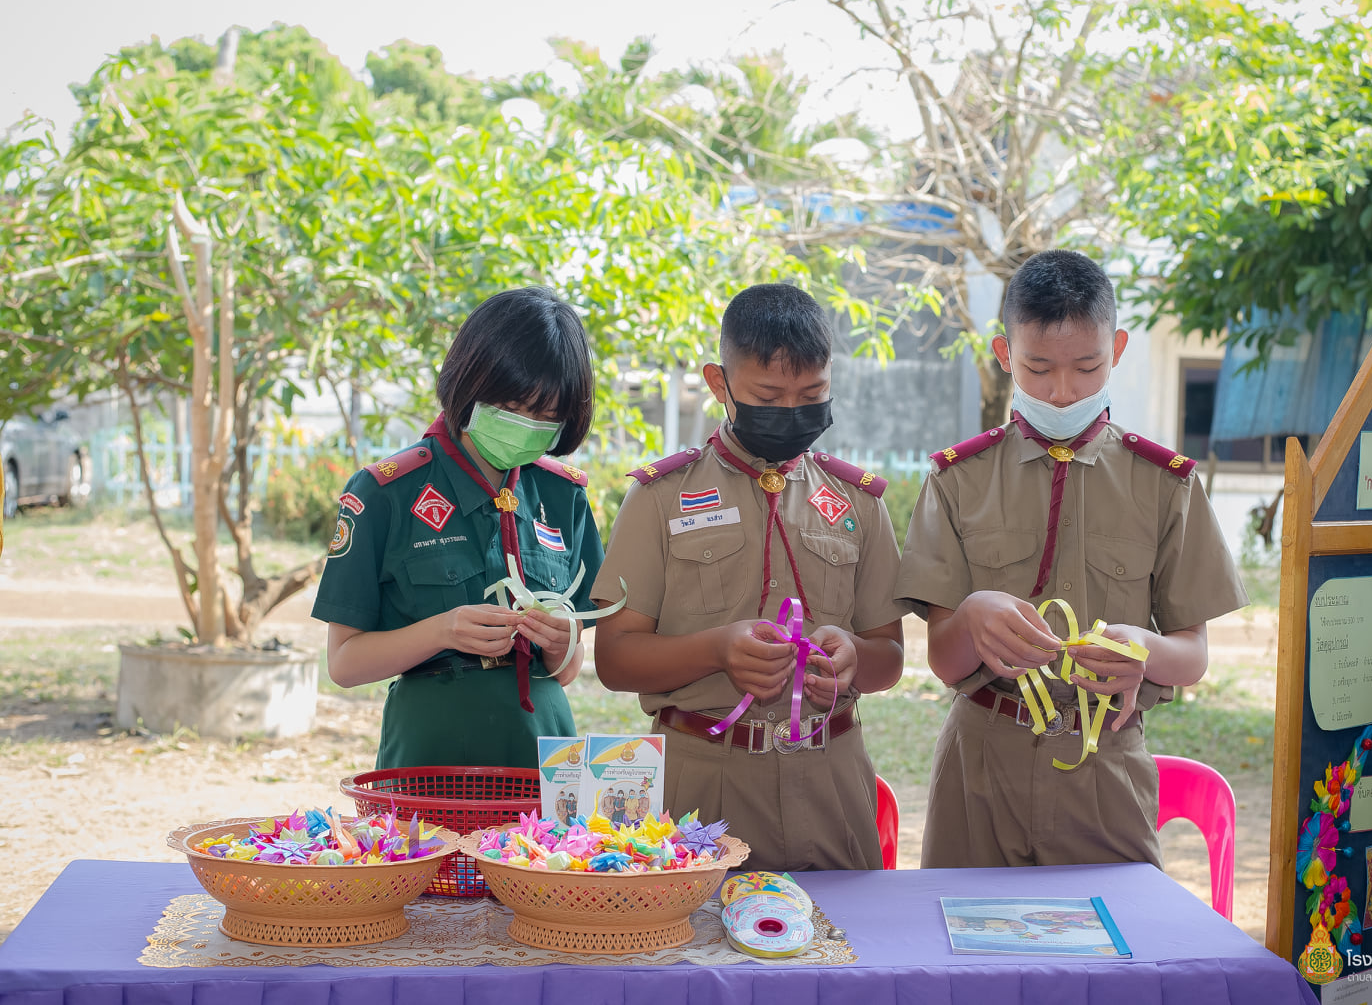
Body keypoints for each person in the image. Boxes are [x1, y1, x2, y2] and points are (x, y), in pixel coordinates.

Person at [895, 250, 1247, 868]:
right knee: (965, 928)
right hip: (981, 767)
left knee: (1113, 929)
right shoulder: (958, 479)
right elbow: (944, 661)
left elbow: (1192, 654)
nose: (1062, 393)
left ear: (1117, 349)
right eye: (1037, 368)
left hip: (1105, 762)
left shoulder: (1164, 483)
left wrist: (1146, 650)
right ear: (1005, 354)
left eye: (1087, 368)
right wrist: (971, 618)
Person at [592, 282, 905, 871]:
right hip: (703, 783)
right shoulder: (660, 497)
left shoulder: (858, 502)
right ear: (720, 384)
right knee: (698, 930)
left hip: (831, 778)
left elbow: (889, 657)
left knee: (841, 929)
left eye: (812, 394)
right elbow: (614, 659)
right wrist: (716, 650)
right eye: (768, 395)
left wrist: (852, 658)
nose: (792, 411)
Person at [311, 286, 604, 769]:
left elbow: (568, 669)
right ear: (471, 381)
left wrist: (560, 643)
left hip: (543, 748)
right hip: (431, 750)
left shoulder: (562, 495)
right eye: (513, 405)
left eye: (546, 416)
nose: (526, 425)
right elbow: (343, 664)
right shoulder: (386, 491)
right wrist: (442, 631)